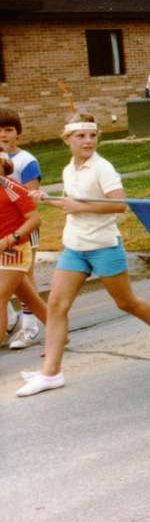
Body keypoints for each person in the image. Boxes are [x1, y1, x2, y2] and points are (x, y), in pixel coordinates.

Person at [18, 114, 150, 397]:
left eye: (92, 135)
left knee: (125, 302)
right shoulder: (70, 168)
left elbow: (119, 205)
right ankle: (51, 373)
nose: (88, 141)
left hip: (104, 245)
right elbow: (73, 204)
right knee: (56, 305)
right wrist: (47, 200)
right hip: (74, 246)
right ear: (67, 139)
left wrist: (79, 207)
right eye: (80, 136)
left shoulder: (103, 168)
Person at [0, 108, 48, 349]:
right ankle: (10, 320)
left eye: (8, 130)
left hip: (23, 229)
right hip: (2, 232)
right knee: (12, 284)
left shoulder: (25, 160)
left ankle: (29, 326)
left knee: (25, 279)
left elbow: (31, 197)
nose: (3, 135)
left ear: (17, 133)